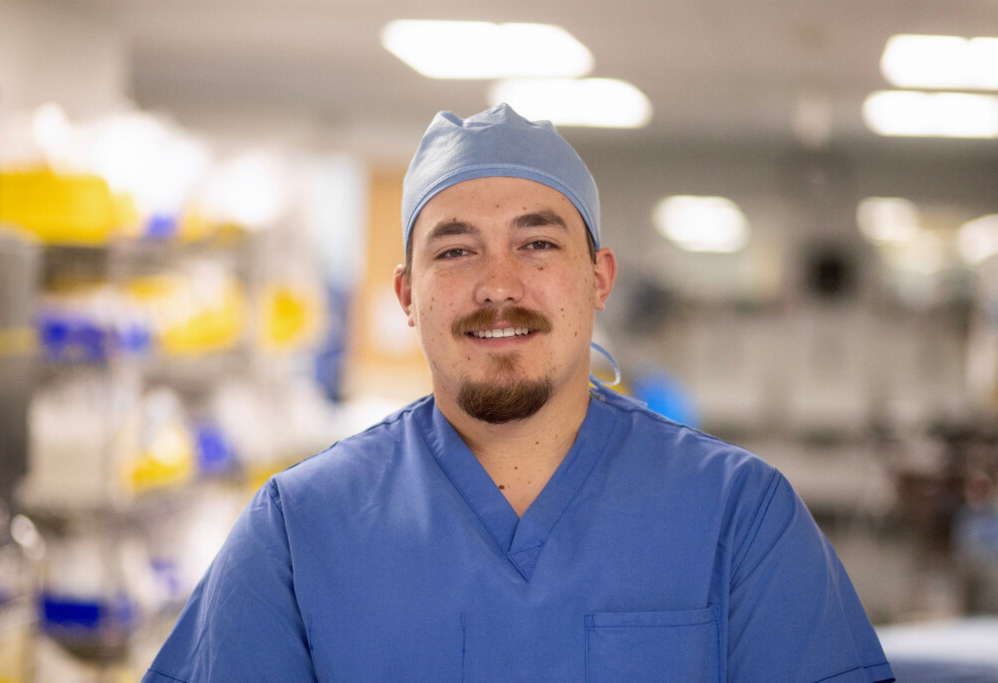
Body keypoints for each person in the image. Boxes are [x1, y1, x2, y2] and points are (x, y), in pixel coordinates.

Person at [144, 104, 894, 682]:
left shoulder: (739, 519)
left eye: (537, 244)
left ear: (598, 278)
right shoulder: (297, 534)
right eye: (456, 249)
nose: (498, 285)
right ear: (408, 293)